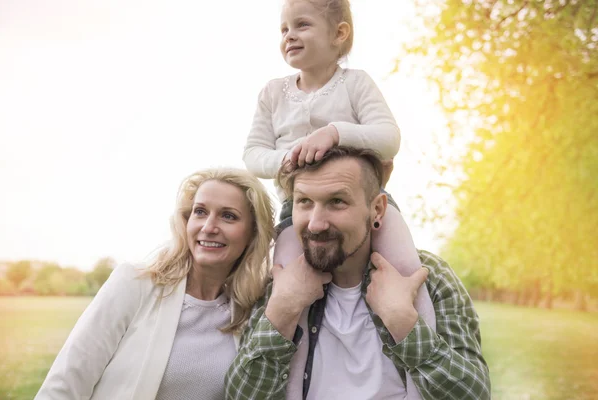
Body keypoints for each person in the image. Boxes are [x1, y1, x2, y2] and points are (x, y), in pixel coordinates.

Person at [242, 0, 436, 357]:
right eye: (284, 29)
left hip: (364, 203)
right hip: (296, 211)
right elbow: (253, 154)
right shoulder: (272, 93)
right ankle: (293, 375)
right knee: (286, 283)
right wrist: (288, 157)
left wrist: (335, 133)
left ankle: (418, 348)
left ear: (339, 33)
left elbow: (388, 137)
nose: (289, 36)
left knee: (404, 268)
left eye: (302, 25)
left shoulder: (355, 83)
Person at [226, 146, 491, 400]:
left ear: (377, 209)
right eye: (304, 201)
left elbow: (474, 394)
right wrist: (282, 311)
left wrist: (404, 323)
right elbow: (240, 396)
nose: (316, 224)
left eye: (337, 202)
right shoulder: (280, 282)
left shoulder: (427, 276)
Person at [35, 168, 275, 400]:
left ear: (253, 232)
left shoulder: (250, 311)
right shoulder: (134, 284)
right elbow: (66, 382)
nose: (208, 227)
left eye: (228, 216)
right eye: (200, 212)